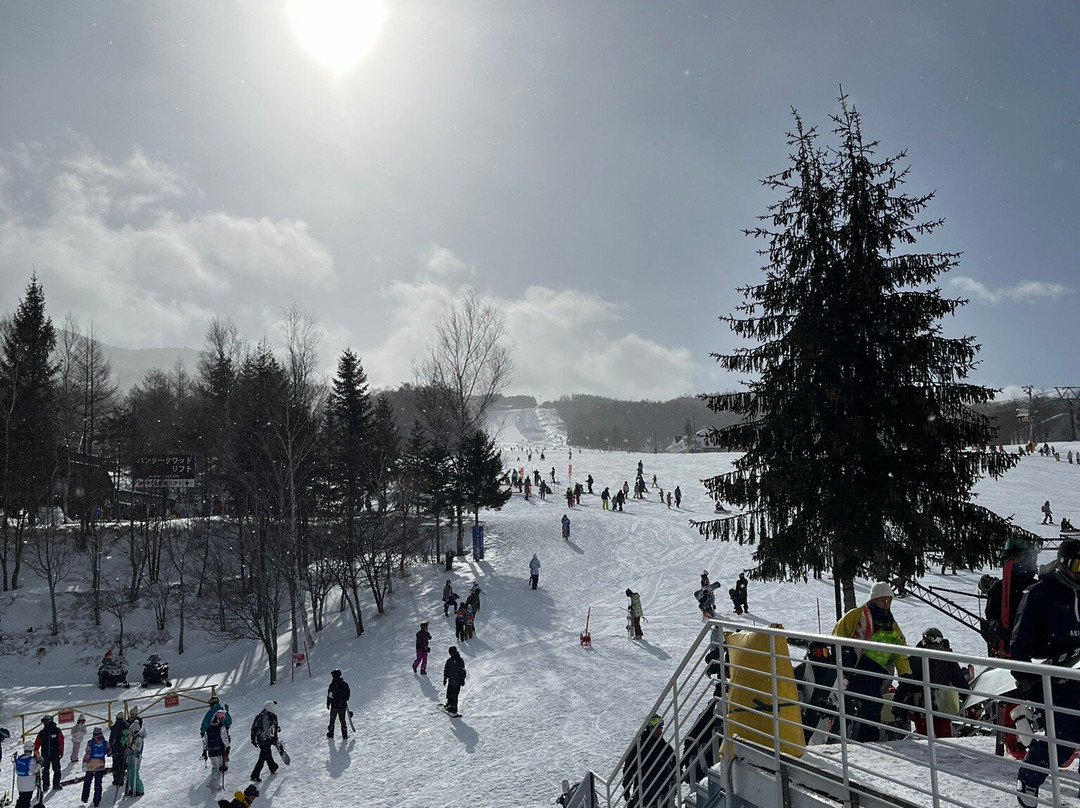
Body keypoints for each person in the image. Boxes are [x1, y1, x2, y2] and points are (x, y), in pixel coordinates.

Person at [1012, 538, 1080, 807]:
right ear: (1063, 564)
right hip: (1054, 676)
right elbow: (1019, 643)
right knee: (1061, 739)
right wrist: (1025, 680)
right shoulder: (1041, 593)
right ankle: (1029, 779)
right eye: (1076, 564)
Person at [832, 581, 911, 743]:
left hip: (876, 672)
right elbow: (837, 634)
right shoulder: (857, 615)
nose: (886, 603)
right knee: (871, 706)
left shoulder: (892, 625)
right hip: (855, 668)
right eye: (883, 599)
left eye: (889, 600)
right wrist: (841, 657)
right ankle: (865, 740)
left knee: (873, 706)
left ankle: (866, 739)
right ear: (874, 599)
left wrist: (906, 674)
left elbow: (900, 651)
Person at [893, 627, 969, 739]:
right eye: (931, 642)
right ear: (924, 642)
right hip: (922, 703)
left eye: (938, 642)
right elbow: (907, 683)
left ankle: (942, 755)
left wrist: (968, 698)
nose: (935, 646)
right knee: (926, 737)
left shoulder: (948, 659)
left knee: (944, 736)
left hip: (942, 703)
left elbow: (959, 680)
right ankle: (929, 753)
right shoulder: (915, 659)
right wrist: (903, 704)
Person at [621, 714, 676, 808]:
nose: (659, 730)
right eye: (656, 726)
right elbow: (629, 769)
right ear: (648, 727)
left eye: (661, 727)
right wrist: (627, 793)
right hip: (644, 790)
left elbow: (674, 764)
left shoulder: (664, 746)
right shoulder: (639, 746)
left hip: (662, 789)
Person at [794, 641, 839, 744]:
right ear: (810, 654)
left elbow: (842, 692)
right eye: (818, 653)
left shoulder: (834, 671)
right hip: (810, 711)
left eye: (824, 652)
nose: (822, 657)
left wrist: (832, 705)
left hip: (831, 710)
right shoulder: (804, 669)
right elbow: (792, 687)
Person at [249, 701, 280, 782]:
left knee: (266, 753)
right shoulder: (272, 716)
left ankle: (273, 766)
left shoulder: (258, 716)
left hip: (260, 739)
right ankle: (255, 775)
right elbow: (274, 729)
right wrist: (275, 740)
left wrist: (253, 739)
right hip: (267, 738)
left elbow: (253, 728)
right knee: (262, 757)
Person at [33, 714, 63, 790]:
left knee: (57, 769)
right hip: (45, 754)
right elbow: (37, 744)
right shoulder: (42, 733)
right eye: (44, 722)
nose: (45, 723)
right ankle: (46, 785)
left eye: (46, 722)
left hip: (55, 753)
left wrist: (61, 752)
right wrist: (36, 754)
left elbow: (61, 742)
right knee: (45, 770)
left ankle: (56, 784)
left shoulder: (57, 731)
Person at [205, 709, 231, 792]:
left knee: (214, 767)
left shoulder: (209, 728)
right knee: (220, 768)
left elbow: (206, 740)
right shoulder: (221, 727)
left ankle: (212, 782)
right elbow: (224, 738)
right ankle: (215, 784)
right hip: (219, 750)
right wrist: (228, 747)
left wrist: (204, 750)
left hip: (211, 751)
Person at [14, 740, 40, 808]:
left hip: (20, 784)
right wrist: (39, 763)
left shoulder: (19, 759)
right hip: (29, 785)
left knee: (22, 798)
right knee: (26, 800)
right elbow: (34, 770)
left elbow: (16, 770)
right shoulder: (31, 760)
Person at [124, 716, 145, 796]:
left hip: (136, 758)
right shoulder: (134, 737)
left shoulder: (138, 738)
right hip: (131, 758)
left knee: (134, 774)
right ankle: (133, 788)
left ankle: (139, 789)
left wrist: (131, 746)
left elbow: (137, 748)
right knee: (130, 773)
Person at [443, 646, 467, 716]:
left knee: (454, 695)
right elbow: (446, 670)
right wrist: (445, 678)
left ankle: (454, 708)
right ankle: (449, 705)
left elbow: (462, 671)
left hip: (457, 680)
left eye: (452, 652)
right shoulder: (449, 661)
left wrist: (462, 679)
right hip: (451, 680)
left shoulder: (459, 660)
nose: (451, 654)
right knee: (449, 693)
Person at [326, 668, 351, 738]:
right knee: (343, 720)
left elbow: (330, 695)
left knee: (332, 720)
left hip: (334, 706)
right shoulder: (344, 684)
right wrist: (344, 700)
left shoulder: (332, 685)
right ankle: (345, 734)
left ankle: (331, 734)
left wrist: (328, 703)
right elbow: (347, 694)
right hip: (342, 706)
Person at [108, 711, 128, 787]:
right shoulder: (126, 726)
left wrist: (110, 749)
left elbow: (112, 740)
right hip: (124, 749)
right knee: (122, 763)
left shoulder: (115, 728)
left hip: (116, 749)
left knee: (116, 764)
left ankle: (116, 779)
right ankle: (122, 778)